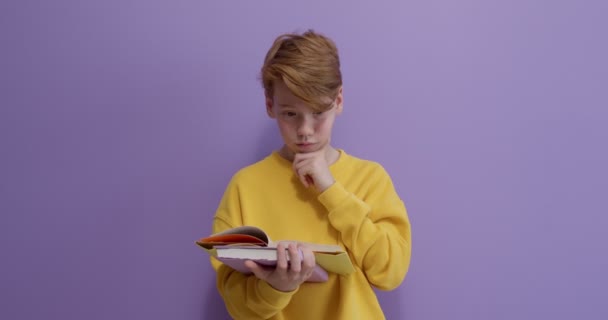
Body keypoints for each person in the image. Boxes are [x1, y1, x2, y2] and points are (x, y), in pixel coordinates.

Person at [210, 29, 412, 320]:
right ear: (270, 106)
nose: (305, 130)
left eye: (318, 112)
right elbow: (238, 307)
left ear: (338, 101)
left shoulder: (371, 178)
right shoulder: (245, 186)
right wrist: (276, 287)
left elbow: (390, 272)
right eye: (290, 114)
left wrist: (332, 191)